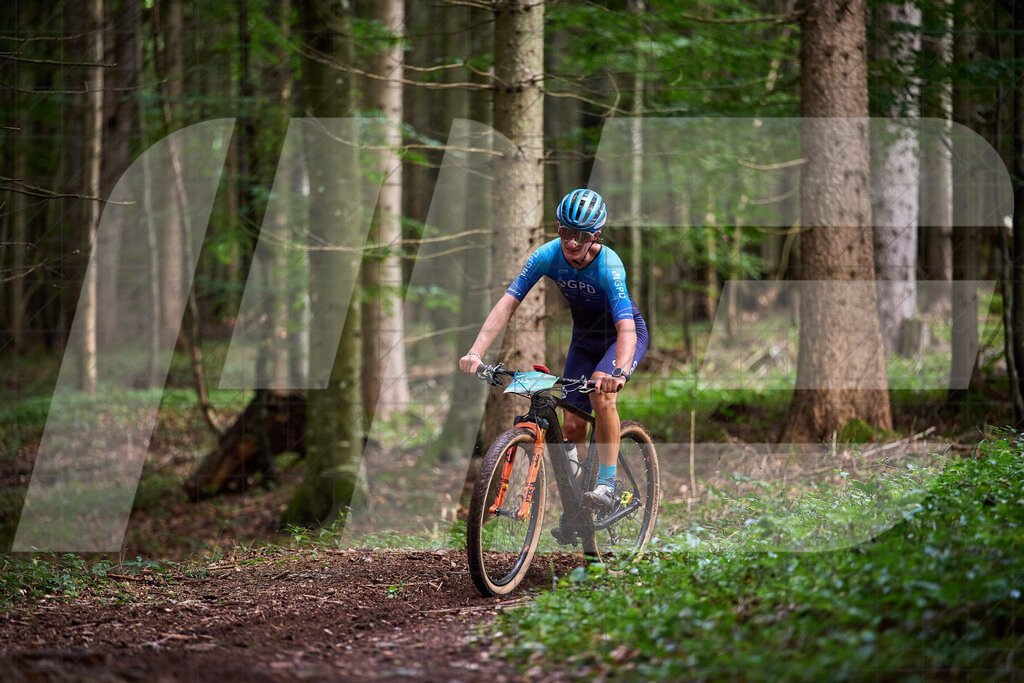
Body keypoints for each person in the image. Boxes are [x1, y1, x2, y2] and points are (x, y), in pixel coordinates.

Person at [458, 188, 649, 511]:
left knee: (602, 397)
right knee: (573, 425)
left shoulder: (609, 265)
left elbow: (626, 328)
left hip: (621, 337)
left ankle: (606, 484)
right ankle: (580, 503)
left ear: (595, 236)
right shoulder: (547, 255)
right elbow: (508, 304)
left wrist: (617, 372)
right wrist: (475, 352)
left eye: (580, 235)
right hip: (584, 339)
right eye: (564, 231)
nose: (571, 242)